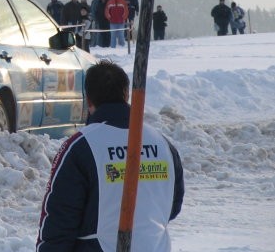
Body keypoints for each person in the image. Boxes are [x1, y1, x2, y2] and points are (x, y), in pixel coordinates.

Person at [36, 60, 184, 251]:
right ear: (126, 95)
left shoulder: (82, 146)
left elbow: (59, 220)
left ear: (88, 99)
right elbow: (172, 205)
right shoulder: (163, 144)